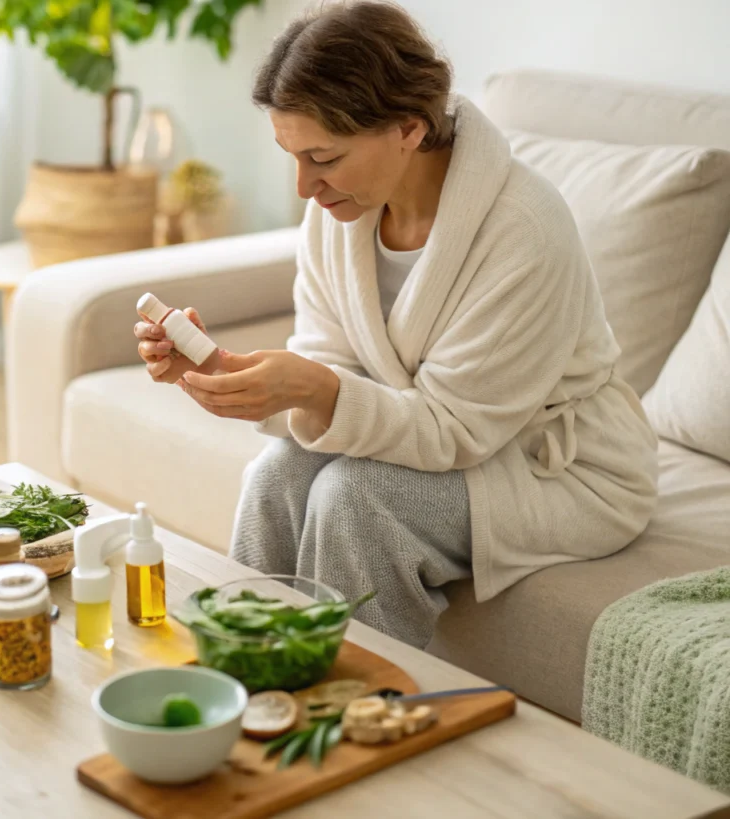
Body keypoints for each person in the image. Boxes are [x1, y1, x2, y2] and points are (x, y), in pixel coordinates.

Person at [132, 1, 658, 647]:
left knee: (357, 500)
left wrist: (317, 390)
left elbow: (454, 428)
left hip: (554, 468)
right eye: (292, 155)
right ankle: (249, 682)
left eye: (323, 156)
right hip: (442, 436)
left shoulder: (523, 229)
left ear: (408, 129)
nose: (303, 186)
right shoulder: (339, 212)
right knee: (275, 476)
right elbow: (331, 364)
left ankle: (361, 715)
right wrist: (220, 371)